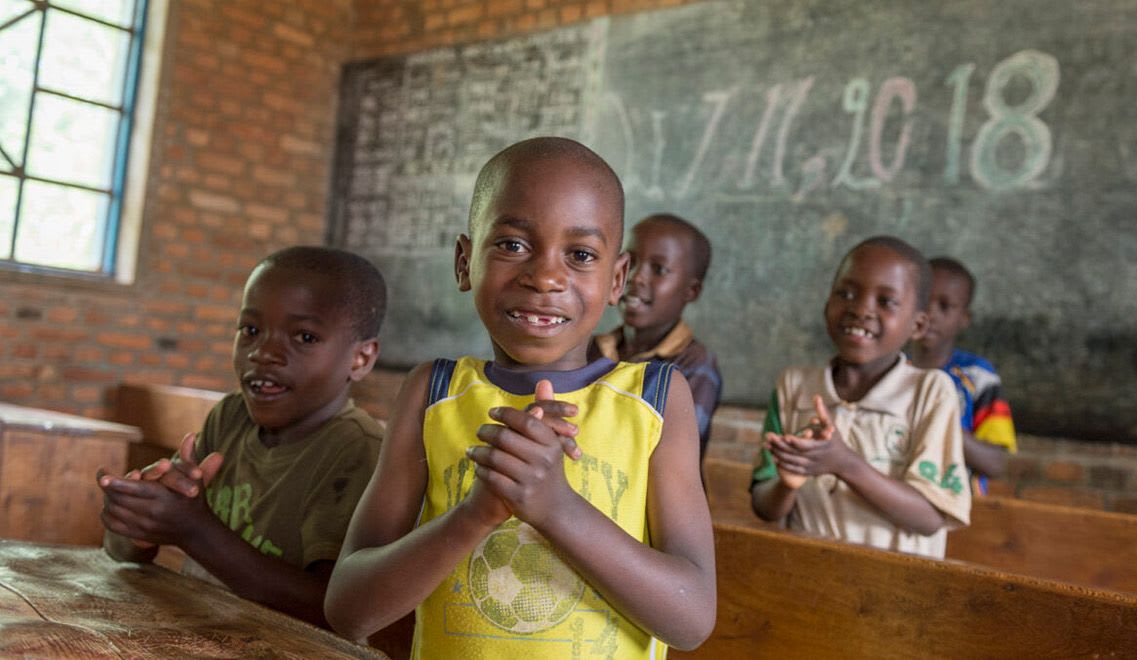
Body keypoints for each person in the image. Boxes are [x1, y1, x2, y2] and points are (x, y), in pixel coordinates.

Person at [324, 137, 716, 657]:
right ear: (465, 262)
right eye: (512, 244)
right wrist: (477, 514)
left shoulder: (657, 400)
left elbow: (689, 620)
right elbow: (349, 610)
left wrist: (556, 508)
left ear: (616, 279)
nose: (545, 276)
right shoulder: (433, 393)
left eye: (579, 255)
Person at [98, 246, 388, 628]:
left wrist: (191, 529)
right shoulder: (231, 417)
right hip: (200, 633)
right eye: (250, 330)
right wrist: (140, 522)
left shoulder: (356, 451)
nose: (264, 352)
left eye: (304, 337)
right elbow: (122, 552)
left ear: (360, 359)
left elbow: (330, 609)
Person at [750, 236, 971, 559]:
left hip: (893, 594)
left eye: (886, 301)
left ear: (918, 325)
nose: (861, 309)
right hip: (803, 584)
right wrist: (788, 482)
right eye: (847, 293)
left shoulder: (931, 391)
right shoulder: (795, 385)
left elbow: (930, 517)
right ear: (827, 304)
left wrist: (844, 463)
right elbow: (764, 506)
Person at [592, 213, 722, 458]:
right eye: (630, 261)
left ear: (691, 291)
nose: (636, 276)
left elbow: (661, 451)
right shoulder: (593, 348)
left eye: (659, 269)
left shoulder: (695, 365)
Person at [910, 257, 1017, 493]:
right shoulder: (892, 370)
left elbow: (995, 463)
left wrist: (939, 425)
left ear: (964, 319)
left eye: (945, 306)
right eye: (923, 301)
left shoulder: (978, 377)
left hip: (961, 509)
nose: (931, 314)